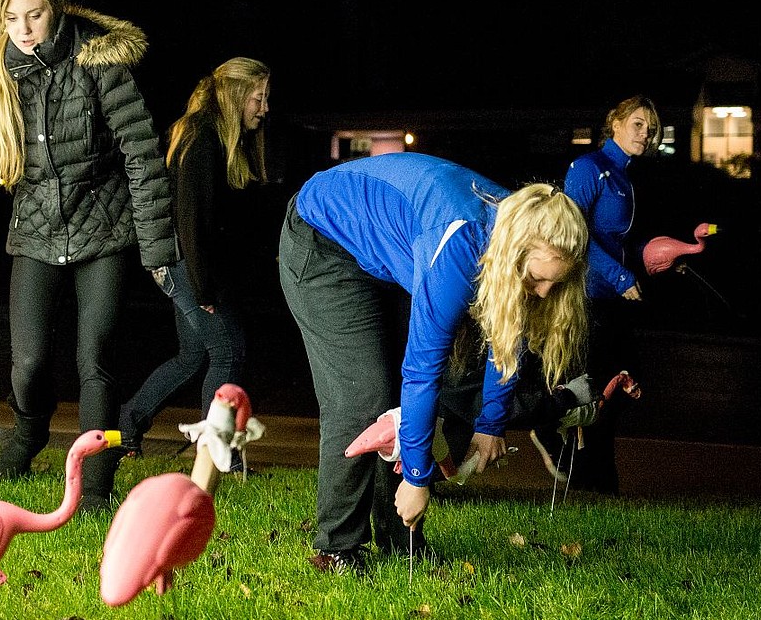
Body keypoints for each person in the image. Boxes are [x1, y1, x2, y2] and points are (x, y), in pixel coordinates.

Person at [0, 0, 175, 493]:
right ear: (0, 20)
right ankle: (30, 431)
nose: (25, 28)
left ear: (55, 9)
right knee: (29, 364)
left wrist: (157, 249)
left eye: (34, 15)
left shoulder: (97, 60)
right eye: (12, 18)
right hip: (34, 232)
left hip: (102, 228)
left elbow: (143, 155)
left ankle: (97, 481)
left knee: (95, 357)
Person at [278, 152, 589, 573]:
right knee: (364, 396)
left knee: (406, 401)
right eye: (536, 279)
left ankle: (398, 541)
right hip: (322, 239)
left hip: (379, 250)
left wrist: (490, 423)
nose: (544, 293)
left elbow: (509, 328)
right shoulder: (460, 244)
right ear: (517, 252)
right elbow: (421, 372)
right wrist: (417, 478)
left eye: (558, 281)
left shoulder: (519, 227)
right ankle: (338, 548)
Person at [82, 57, 272, 506]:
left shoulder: (211, 135)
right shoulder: (203, 137)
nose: (264, 107)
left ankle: (129, 425)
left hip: (181, 264)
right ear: (234, 93)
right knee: (228, 350)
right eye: (258, 97)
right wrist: (204, 290)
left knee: (191, 355)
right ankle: (213, 459)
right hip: (185, 266)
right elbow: (190, 219)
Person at [531, 95, 660, 494]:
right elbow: (575, 236)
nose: (647, 133)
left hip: (613, 298)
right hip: (586, 297)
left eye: (651, 128)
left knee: (618, 384)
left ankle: (594, 475)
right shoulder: (589, 169)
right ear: (615, 124)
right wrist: (621, 277)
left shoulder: (624, 176)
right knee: (595, 385)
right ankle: (549, 430)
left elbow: (621, 241)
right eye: (638, 124)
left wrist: (656, 257)